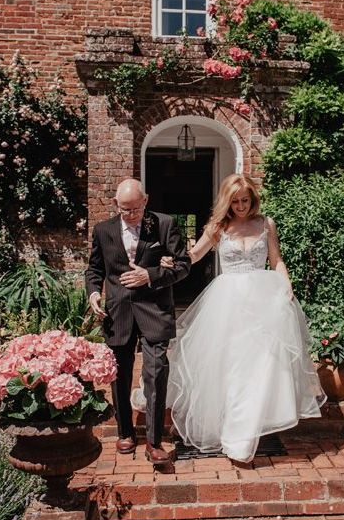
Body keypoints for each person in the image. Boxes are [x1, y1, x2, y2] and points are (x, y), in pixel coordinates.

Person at [160, 173, 326, 463]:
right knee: (233, 368)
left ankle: (245, 434)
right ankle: (232, 431)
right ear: (227, 201)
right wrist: (171, 260)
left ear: (253, 199)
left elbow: (276, 261)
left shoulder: (266, 224)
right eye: (235, 201)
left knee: (259, 368)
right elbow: (195, 254)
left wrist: (286, 284)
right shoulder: (219, 227)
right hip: (228, 304)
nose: (240, 206)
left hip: (264, 301)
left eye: (245, 201)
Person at [85, 179, 191, 465]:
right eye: (124, 210)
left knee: (156, 374)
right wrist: (94, 292)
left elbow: (183, 265)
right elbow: (94, 268)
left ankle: (154, 442)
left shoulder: (164, 225)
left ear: (145, 200)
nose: (130, 214)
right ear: (116, 205)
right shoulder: (103, 230)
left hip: (155, 309)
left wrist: (151, 275)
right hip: (117, 311)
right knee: (120, 374)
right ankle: (125, 433)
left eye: (134, 208)